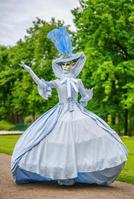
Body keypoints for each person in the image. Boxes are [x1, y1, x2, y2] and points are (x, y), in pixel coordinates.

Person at [10, 26, 128, 186]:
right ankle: (63, 173)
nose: (67, 67)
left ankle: (77, 172)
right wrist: (30, 71)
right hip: (61, 112)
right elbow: (42, 84)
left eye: (69, 64)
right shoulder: (58, 82)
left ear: (73, 66)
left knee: (87, 138)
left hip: (78, 112)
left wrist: (87, 96)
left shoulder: (78, 81)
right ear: (60, 66)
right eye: (64, 65)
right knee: (61, 141)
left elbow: (84, 95)